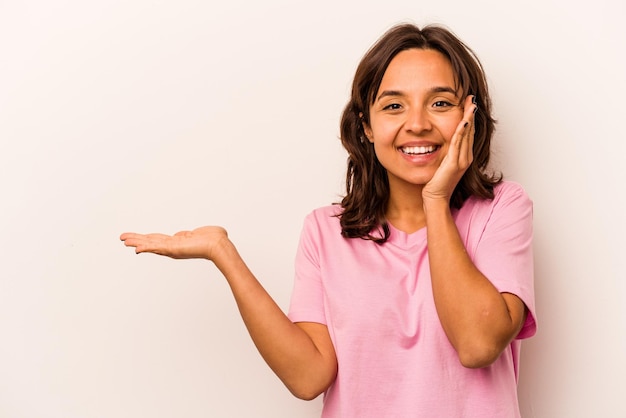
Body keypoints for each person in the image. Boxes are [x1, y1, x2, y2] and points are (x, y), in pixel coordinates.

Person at [120, 23, 536, 417]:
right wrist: (223, 253)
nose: (417, 124)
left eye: (440, 103)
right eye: (393, 106)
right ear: (367, 127)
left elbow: (478, 344)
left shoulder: (502, 209)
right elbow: (308, 377)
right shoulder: (325, 231)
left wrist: (436, 199)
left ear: (470, 115)